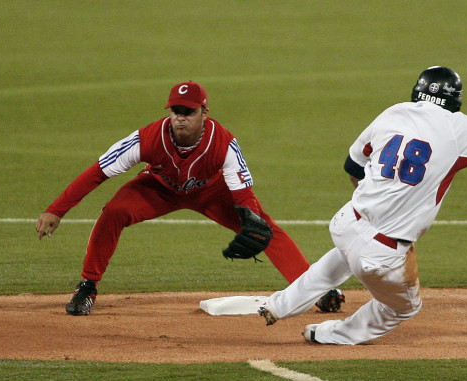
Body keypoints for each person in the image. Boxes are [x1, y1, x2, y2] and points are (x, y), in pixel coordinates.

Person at [258, 66, 467, 344]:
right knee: (403, 307)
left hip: (347, 221)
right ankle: (330, 334)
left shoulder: (393, 112)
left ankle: (278, 305)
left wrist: (380, 196)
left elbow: (353, 166)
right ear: (455, 99)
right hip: (382, 252)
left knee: (342, 256)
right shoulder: (460, 128)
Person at [36, 80, 327, 316]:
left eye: (188, 111)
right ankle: (87, 286)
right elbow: (98, 171)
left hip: (211, 192)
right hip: (159, 189)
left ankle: (315, 291)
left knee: (263, 227)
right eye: (175, 110)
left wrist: (250, 220)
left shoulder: (224, 143)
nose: (179, 117)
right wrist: (56, 210)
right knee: (114, 212)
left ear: (204, 112)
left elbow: (243, 193)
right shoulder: (147, 138)